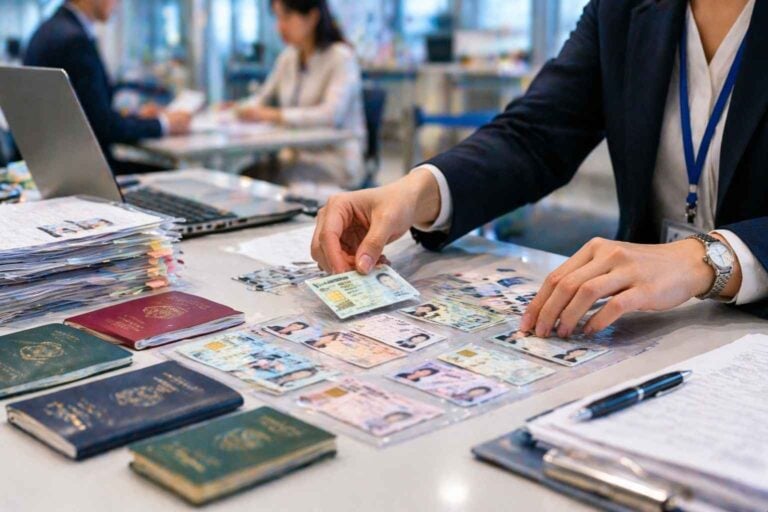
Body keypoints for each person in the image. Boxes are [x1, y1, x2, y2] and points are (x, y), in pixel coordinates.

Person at [312, 0, 768, 337]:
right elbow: (537, 133)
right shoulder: (623, 10)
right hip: (649, 330)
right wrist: (417, 191)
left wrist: (707, 259)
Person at [23, 0, 191, 174]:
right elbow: (101, 125)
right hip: (87, 173)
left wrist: (136, 117)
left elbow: (85, 109)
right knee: (176, 175)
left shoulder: (49, 29)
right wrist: (163, 124)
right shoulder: (74, 40)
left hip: (54, 166)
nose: (118, 3)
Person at [237, 0, 366, 189]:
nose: (280, 26)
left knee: (264, 186)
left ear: (312, 17)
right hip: (292, 158)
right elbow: (262, 98)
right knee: (244, 178)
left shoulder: (341, 56)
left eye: (287, 16)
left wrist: (275, 115)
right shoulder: (288, 57)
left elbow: (331, 115)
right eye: (277, 18)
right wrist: (239, 108)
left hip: (333, 162)